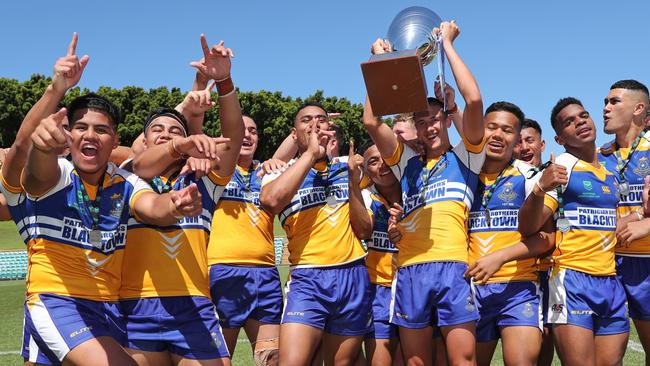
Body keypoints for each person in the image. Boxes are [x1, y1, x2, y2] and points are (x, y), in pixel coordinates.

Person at [364, 21, 485, 365]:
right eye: (420, 120)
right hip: (411, 269)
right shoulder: (405, 164)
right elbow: (372, 122)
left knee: (462, 359)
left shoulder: (467, 157)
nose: (428, 126)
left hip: (454, 267)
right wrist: (381, 67)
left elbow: (474, 98)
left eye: (434, 118)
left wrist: (447, 43)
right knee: (415, 362)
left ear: (447, 120)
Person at [518, 97, 629, 366]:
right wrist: (540, 189)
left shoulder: (611, 171)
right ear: (559, 138)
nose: (579, 122)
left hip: (611, 281)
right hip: (572, 280)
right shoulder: (563, 166)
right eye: (569, 122)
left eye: (583, 116)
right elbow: (528, 227)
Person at [260, 103, 371, 366]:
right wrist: (309, 154)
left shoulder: (349, 166)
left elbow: (365, 229)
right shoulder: (276, 171)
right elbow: (272, 201)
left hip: (352, 274)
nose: (314, 124)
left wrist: (354, 180)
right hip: (308, 279)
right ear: (293, 133)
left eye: (321, 119)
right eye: (306, 121)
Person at [464, 101, 555, 366]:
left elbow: (547, 238)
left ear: (516, 139)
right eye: (491, 127)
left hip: (519, 287)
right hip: (470, 289)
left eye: (507, 130)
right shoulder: (462, 175)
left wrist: (501, 256)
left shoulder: (531, 176)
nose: (498, 135)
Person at [208, 115, 283, 366]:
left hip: (266, 276)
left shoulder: (267, 172)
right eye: (241, 130)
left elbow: (292, 144)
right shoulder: (213, 170)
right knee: (219, 361)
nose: (247, 135)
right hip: (223, 273)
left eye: (253, 130)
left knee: (271, 360)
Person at [598, 79, 650, 363]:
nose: (605, 108)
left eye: (613, 101)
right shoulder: (599, 156)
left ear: (638, 108)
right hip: (608, 266)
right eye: (605, 102)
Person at [347, 140, 403, 366]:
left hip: (416, 283)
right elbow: (363, 229)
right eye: (373, 161)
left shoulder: (417, 189)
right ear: (366, 171)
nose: (382, 164)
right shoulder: (367, 196)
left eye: (385, 156)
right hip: (379, 288)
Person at [516, 117, 555, 366]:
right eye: (518, 142)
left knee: (548, 338)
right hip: (518, 272)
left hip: (550, 270)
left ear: (542, 144)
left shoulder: (553, 175)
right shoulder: (509, 177)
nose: (523, 147)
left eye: (529, 140)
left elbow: (545, 232)